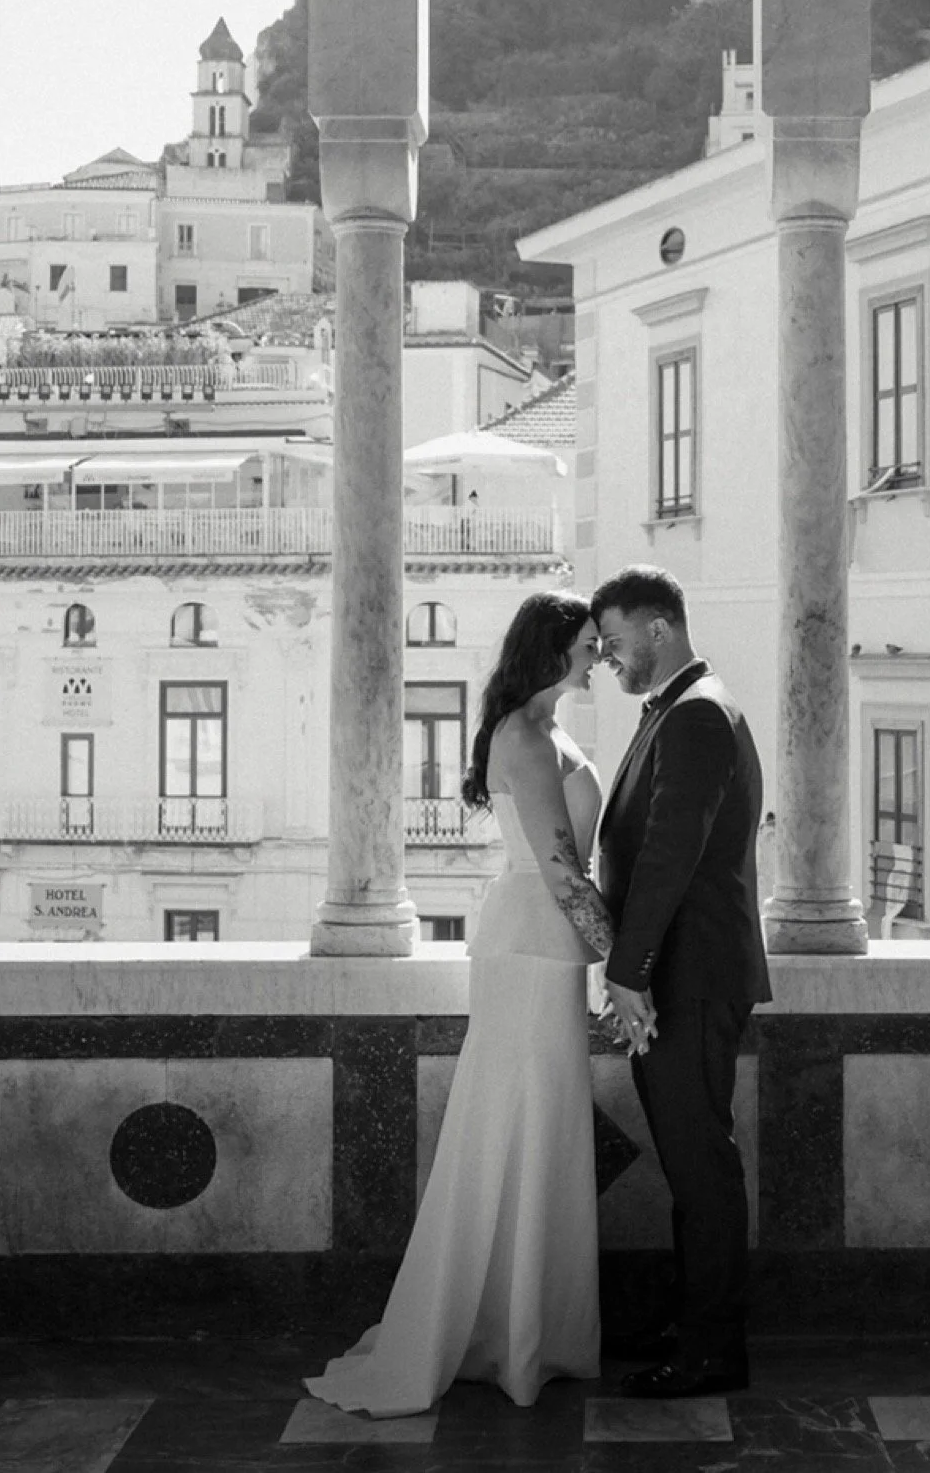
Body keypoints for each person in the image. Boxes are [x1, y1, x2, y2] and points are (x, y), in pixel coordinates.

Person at [305, 590, 639, 1417]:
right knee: (517, 1128)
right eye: (590, 643)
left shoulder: (544, 729)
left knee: (542, 1129)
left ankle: (532, 1333)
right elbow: (563, 870)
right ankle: (511, 1339)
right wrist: (629, 970)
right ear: (553, 647)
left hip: (539, 943)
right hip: (532, 941)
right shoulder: (524, 737)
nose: (599, 656)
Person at [590, 566, 772, 1400]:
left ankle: (710, 1351)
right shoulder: (681, 707)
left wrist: (628, 973)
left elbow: (670, 854)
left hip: (686, 980)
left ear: (659, 630)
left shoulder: (697, 715)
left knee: (702, 1169)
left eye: (618, 643)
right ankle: (694, 1322)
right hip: (683, 974)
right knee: (690, 1164)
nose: (609, 660)